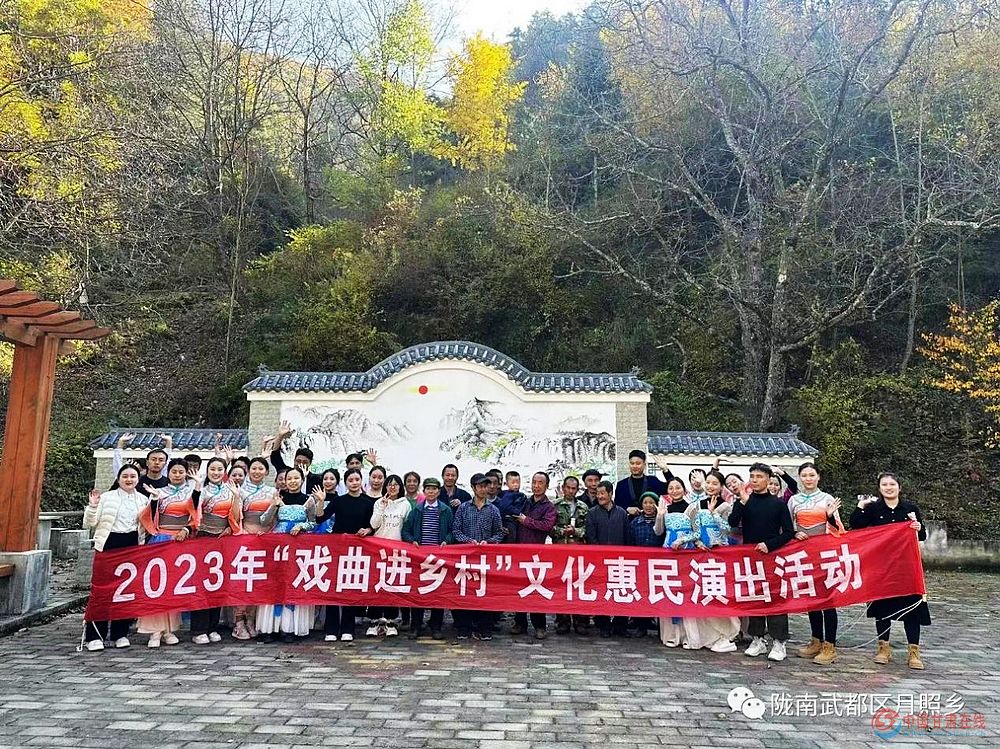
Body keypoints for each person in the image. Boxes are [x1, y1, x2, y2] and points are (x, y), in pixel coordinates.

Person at [849, 472, 930, 670]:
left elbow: (922, 535)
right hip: (881, 566)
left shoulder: (910, 508)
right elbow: (855, 525)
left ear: (899, 487)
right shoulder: (874, 509)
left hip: (906, 566)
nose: (888, 487)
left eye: (892, 484)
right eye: (884, 485)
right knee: (882, 609)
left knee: (912, 609)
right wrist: (861, 506)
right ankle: (883, 648)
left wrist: (918, 527)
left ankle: (914, 651)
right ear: (879, 488)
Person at [728, 463, 796, 662]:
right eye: (752, 476)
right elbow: (733, 522)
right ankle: (757, 639)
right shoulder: (744, 500)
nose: (755, 480)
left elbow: (789, 532)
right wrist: (741, 502)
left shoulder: (778, 504)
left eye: (759, 476)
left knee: (775, 598)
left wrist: (769, 544)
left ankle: (779, 641)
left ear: (768, 479)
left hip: (772, 556)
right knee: (755, 597)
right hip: (751, 557)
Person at [136, 459, 200, 648]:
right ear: (168, 473)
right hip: (161, 541)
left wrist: (186, 529)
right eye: (174, 471)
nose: (177, 475)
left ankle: (169, 629)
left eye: (181, 471)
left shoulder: (192, 491)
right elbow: (147, 517)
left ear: (186, 473)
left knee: (174, 586)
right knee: (157, 585)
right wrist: (155, 500)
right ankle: (155, 630)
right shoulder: (159, 491)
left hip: (181, 542)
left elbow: (197, 515)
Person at [84, 464, 148, 651]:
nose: (129, 479)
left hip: (132, 545)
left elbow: (147, 525)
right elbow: (90, 522)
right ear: (119, 479)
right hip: (109, 545)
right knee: (102, 591)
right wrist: (93, 506)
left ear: (138, 479)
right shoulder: (107, 497)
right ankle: (95, 635)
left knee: (126, 591)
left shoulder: (143, 499)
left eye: (133, 476)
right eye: (125, 476)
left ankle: (120, 633)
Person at [788, 462, 844, 666]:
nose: (808, 479)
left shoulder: (827, 499)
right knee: (811, 599)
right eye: (804, 475)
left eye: (812, 475)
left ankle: (830, 645)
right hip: (804, 555)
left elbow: (838, 529)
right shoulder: (793, 500)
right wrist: (795, 533)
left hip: (825, 555)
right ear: (800, 478)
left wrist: (829, 516)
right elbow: (788, 526)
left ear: (818, 477)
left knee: (827, 600)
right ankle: (816, 640)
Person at [256, 468, 316, 642]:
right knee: (275, 583)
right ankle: (270, 628)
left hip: (299, 546)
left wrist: (302, 526)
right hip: (278, 547)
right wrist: (274, 505)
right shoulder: (278, 498)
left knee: (294, 581)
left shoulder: (309, 500)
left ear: (302, 480)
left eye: (296, 478)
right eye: (289, 478)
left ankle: (289, 628)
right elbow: (263, 521)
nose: (292, 481)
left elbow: (313, 522)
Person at [322, 468, 375, 642]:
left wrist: (367, 530)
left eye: (357, 480)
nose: (354, 483)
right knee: (333, 588)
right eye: (350, 480)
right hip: (337, 549)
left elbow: (372, 525)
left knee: (349, 587)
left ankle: (347, 628)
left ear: (361, 481)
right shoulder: (338, 501)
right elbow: (320, 518)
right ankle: (331, 629)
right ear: (345, 483)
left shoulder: (368, 503)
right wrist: (320, 502)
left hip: (357, 550)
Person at [191, 457, 240, 644]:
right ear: (207, 470)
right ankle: (199, 629)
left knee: (217, 582)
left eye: (220, 469)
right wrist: (197, 488)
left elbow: (236, 516)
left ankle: (212, 626)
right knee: (202, 584)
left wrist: (236, 499)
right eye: (213, 469)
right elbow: (192, 510)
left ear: (224, 471)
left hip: (223, 539)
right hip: (203, 537)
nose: (216, 472)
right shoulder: (201, 489)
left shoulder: (231, 489)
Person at [451, 473, 503, 640]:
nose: (483, 489)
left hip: (486, 559)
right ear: (473, 488)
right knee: (465, 591)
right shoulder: (463, 508)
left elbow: (499, 532)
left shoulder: (493, 510)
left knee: (485, 593)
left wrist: (489, 542)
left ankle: (485, 628)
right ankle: (464, 627)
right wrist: (468, 541)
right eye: (480, 486)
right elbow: (456, 530)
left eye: (485, 486)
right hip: (466, 557)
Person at [402, 477, 454, 640]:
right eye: (428, 489)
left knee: (438, 592)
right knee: (418, 591)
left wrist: (447, 540)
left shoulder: (445, 510)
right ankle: (415, 626)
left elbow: (452, 530)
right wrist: (412, 541)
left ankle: (436, 626)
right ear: (423, 491)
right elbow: (405, 531)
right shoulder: (417, 510)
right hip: (420, 558)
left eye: (434, 489)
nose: (431, 492)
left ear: (439, 491)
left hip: (439, 557)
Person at [233, 457, 277, 640]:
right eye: (254, 468)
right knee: (243, 582)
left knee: (258, 582)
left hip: (264, 541)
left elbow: (275, 518)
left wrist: (269, 533)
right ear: (248, 471)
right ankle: (238, 622)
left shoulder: (272, 491)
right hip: (244, 540)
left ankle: (251, 619)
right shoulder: (240, 490)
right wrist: (242, 531)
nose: (257, 471)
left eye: (261, 468)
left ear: (266, 472)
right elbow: (235, 516)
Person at [511, 472, 557, 639]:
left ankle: (540, 625)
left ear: (546, 486)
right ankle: (520, 623)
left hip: (537, 555)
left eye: (540, 483)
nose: (536, 486)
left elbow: (547, 526)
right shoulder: (524, 502)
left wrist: (526, 521)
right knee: (520, 589)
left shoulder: (549, 507)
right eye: (534, 482)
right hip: (520, 552)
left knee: (536, 589)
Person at [654, 480, 698, 647]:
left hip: (686, 554)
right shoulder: (664, 509)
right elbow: (658, 531)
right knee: (669, 590)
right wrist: (660, 515)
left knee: (686, 592)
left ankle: (688, 635)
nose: (674, 490)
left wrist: (682, 540)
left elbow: (697, 532)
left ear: (684, 489)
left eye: (678, 487)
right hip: (668, 553)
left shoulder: (692, 508)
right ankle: (672, 635)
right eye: (671, 488)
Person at [368, 474, 411, 637]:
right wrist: (382, 506)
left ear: (400, 487)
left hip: (396, 551)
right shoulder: (379, 502)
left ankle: (391, 621)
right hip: (378, 549)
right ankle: (374, 621)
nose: (392, 487)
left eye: (396, 484)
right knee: (377, 585)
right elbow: (374, 524)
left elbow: (406, 527)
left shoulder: (405, 504)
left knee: (392, 585)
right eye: (389, 484)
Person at [586, 480, 630, 637]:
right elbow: (591, 537)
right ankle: (603, 625)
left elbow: (627, 537)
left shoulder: (622, 513)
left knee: (621, 592)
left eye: (602, 493)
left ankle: (620, 625)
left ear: (611, 493)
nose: (599, 496)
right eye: (597, 494)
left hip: (620, 562)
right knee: (602, 592)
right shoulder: (592, 513)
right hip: (600, 561)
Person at [552, 476, 589, 634]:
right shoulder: (555, 505)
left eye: (574, 488)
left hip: (578, 551)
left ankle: (580, 621)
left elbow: (588, 528)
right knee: (561, 586)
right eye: (568, 488)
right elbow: (548, 526)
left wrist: (576, 531)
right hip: (560, 551)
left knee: (578, 585)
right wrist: (562, 531)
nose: (570, 491)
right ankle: (562, 621)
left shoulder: (583, 507)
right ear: (563, 488)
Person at [628, 492, 666, 636]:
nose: (648, 506)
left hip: (657, 564)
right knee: (641, 594)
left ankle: (658, 624)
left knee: (658, 593)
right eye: (645, 503)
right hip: (640, 564)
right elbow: (630, 542)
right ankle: (641, 625)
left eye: (651, 503)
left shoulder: (662, 521)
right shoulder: (635, 522)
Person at [686, 470, 735, 548]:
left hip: (720, 548)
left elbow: (727, 530)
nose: (710, 486)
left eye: (714, 484)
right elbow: (695, 529)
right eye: (708, 483)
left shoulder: (726, 506)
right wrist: (698, 542)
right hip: (701, 548)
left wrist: (713, 513)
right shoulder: (699, 504)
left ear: (722, 486)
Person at [270, 420, 323, 492]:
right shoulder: (286, 472)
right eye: (298, 461)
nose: (300, 464)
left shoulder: (316, 479)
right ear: (294, 460)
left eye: (305, 462)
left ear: (310, 463)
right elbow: (275, 455)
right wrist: (280, 436)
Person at [614, 450, 668, 515]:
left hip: (651, 520)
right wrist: (627, 509)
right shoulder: (621, 485)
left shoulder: (653, 481)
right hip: (628, 520)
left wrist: (665, 470)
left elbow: (672, 488)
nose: (634, 466)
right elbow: (616, 506)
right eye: (632, 463)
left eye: (638, 463)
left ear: (644, 465)